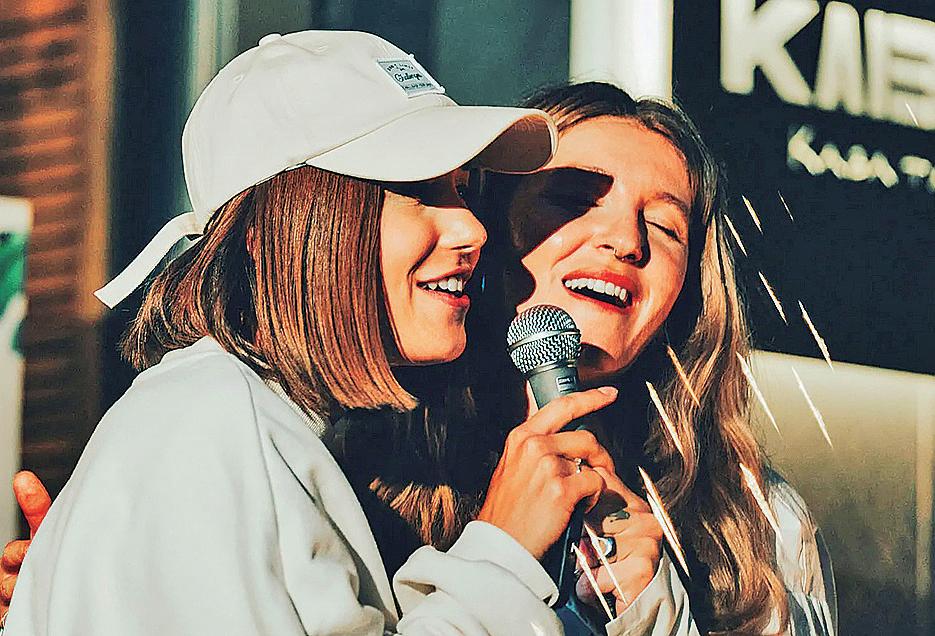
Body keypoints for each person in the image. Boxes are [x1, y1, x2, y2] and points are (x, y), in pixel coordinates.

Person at [3, 81, 838, 635]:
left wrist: (652, 606)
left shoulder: (750, 520)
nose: (623, 239)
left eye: (664, 226)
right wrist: (120, 574)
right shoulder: (341, 460)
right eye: (571, 199)